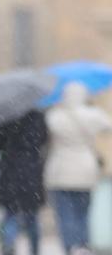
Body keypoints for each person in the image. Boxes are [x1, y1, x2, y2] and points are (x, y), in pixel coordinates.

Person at [45, 82, 112, 255]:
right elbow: (107, 126)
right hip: (85, 169)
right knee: (83, 212)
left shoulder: (54, 116)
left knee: (65, 213)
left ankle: (70, 246)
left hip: (60, 170)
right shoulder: (92, 115)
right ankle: (83, 244)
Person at [0, 110, 49, 255]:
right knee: (31, 216)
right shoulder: (37, 116)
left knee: (11, 214)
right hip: (32, 171)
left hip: (10, 170)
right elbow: (43, 139)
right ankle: (34, 249)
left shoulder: (6, 115)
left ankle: (8, 243)